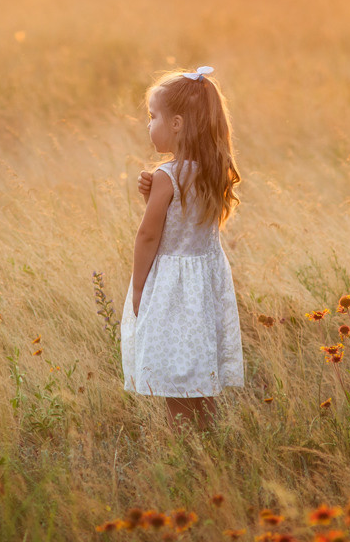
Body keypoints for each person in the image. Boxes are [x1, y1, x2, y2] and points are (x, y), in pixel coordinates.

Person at [121, 65, 244, 430]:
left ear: (176, 124)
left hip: (172, 289)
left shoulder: (167, 176)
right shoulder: (213, 170)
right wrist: (154, 197)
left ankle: (183, 447)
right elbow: (186, 224)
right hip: (204, 288)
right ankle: (206, 441)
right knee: (199, 373)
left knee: (174, 376)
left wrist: (139, 288)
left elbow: (149, 236)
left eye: (152, 116)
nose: (149, 125)